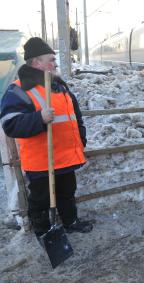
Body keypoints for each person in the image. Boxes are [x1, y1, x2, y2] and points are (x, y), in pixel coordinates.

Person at [0, 37, 93, 237]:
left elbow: (75, 116)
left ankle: (71, 222)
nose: (55, 63)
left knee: (67, 193)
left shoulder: (59, 85)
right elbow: (10, 124)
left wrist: (81, 139)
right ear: (36, 62)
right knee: (41, 199)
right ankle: (43, 232)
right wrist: (39, 118)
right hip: (43, 160)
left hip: (66, 155)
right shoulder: (18, 90)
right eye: (51, 59)